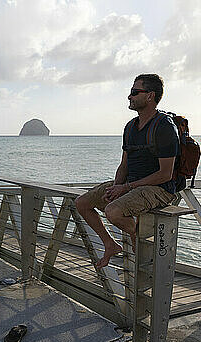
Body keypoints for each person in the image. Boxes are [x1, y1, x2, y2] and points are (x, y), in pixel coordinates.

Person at [75, 74, 179, 269]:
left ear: (150, 96)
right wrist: (115, 187)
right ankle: (110, 244)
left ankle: (135, 236)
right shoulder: (130, 127)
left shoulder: (164, 126)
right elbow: (124, 164)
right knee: (82, 203)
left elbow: (165, 174)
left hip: (160, 188)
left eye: (134, 92)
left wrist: (126, 187)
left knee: (112, 212)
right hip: (131, 184)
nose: (129, 97)